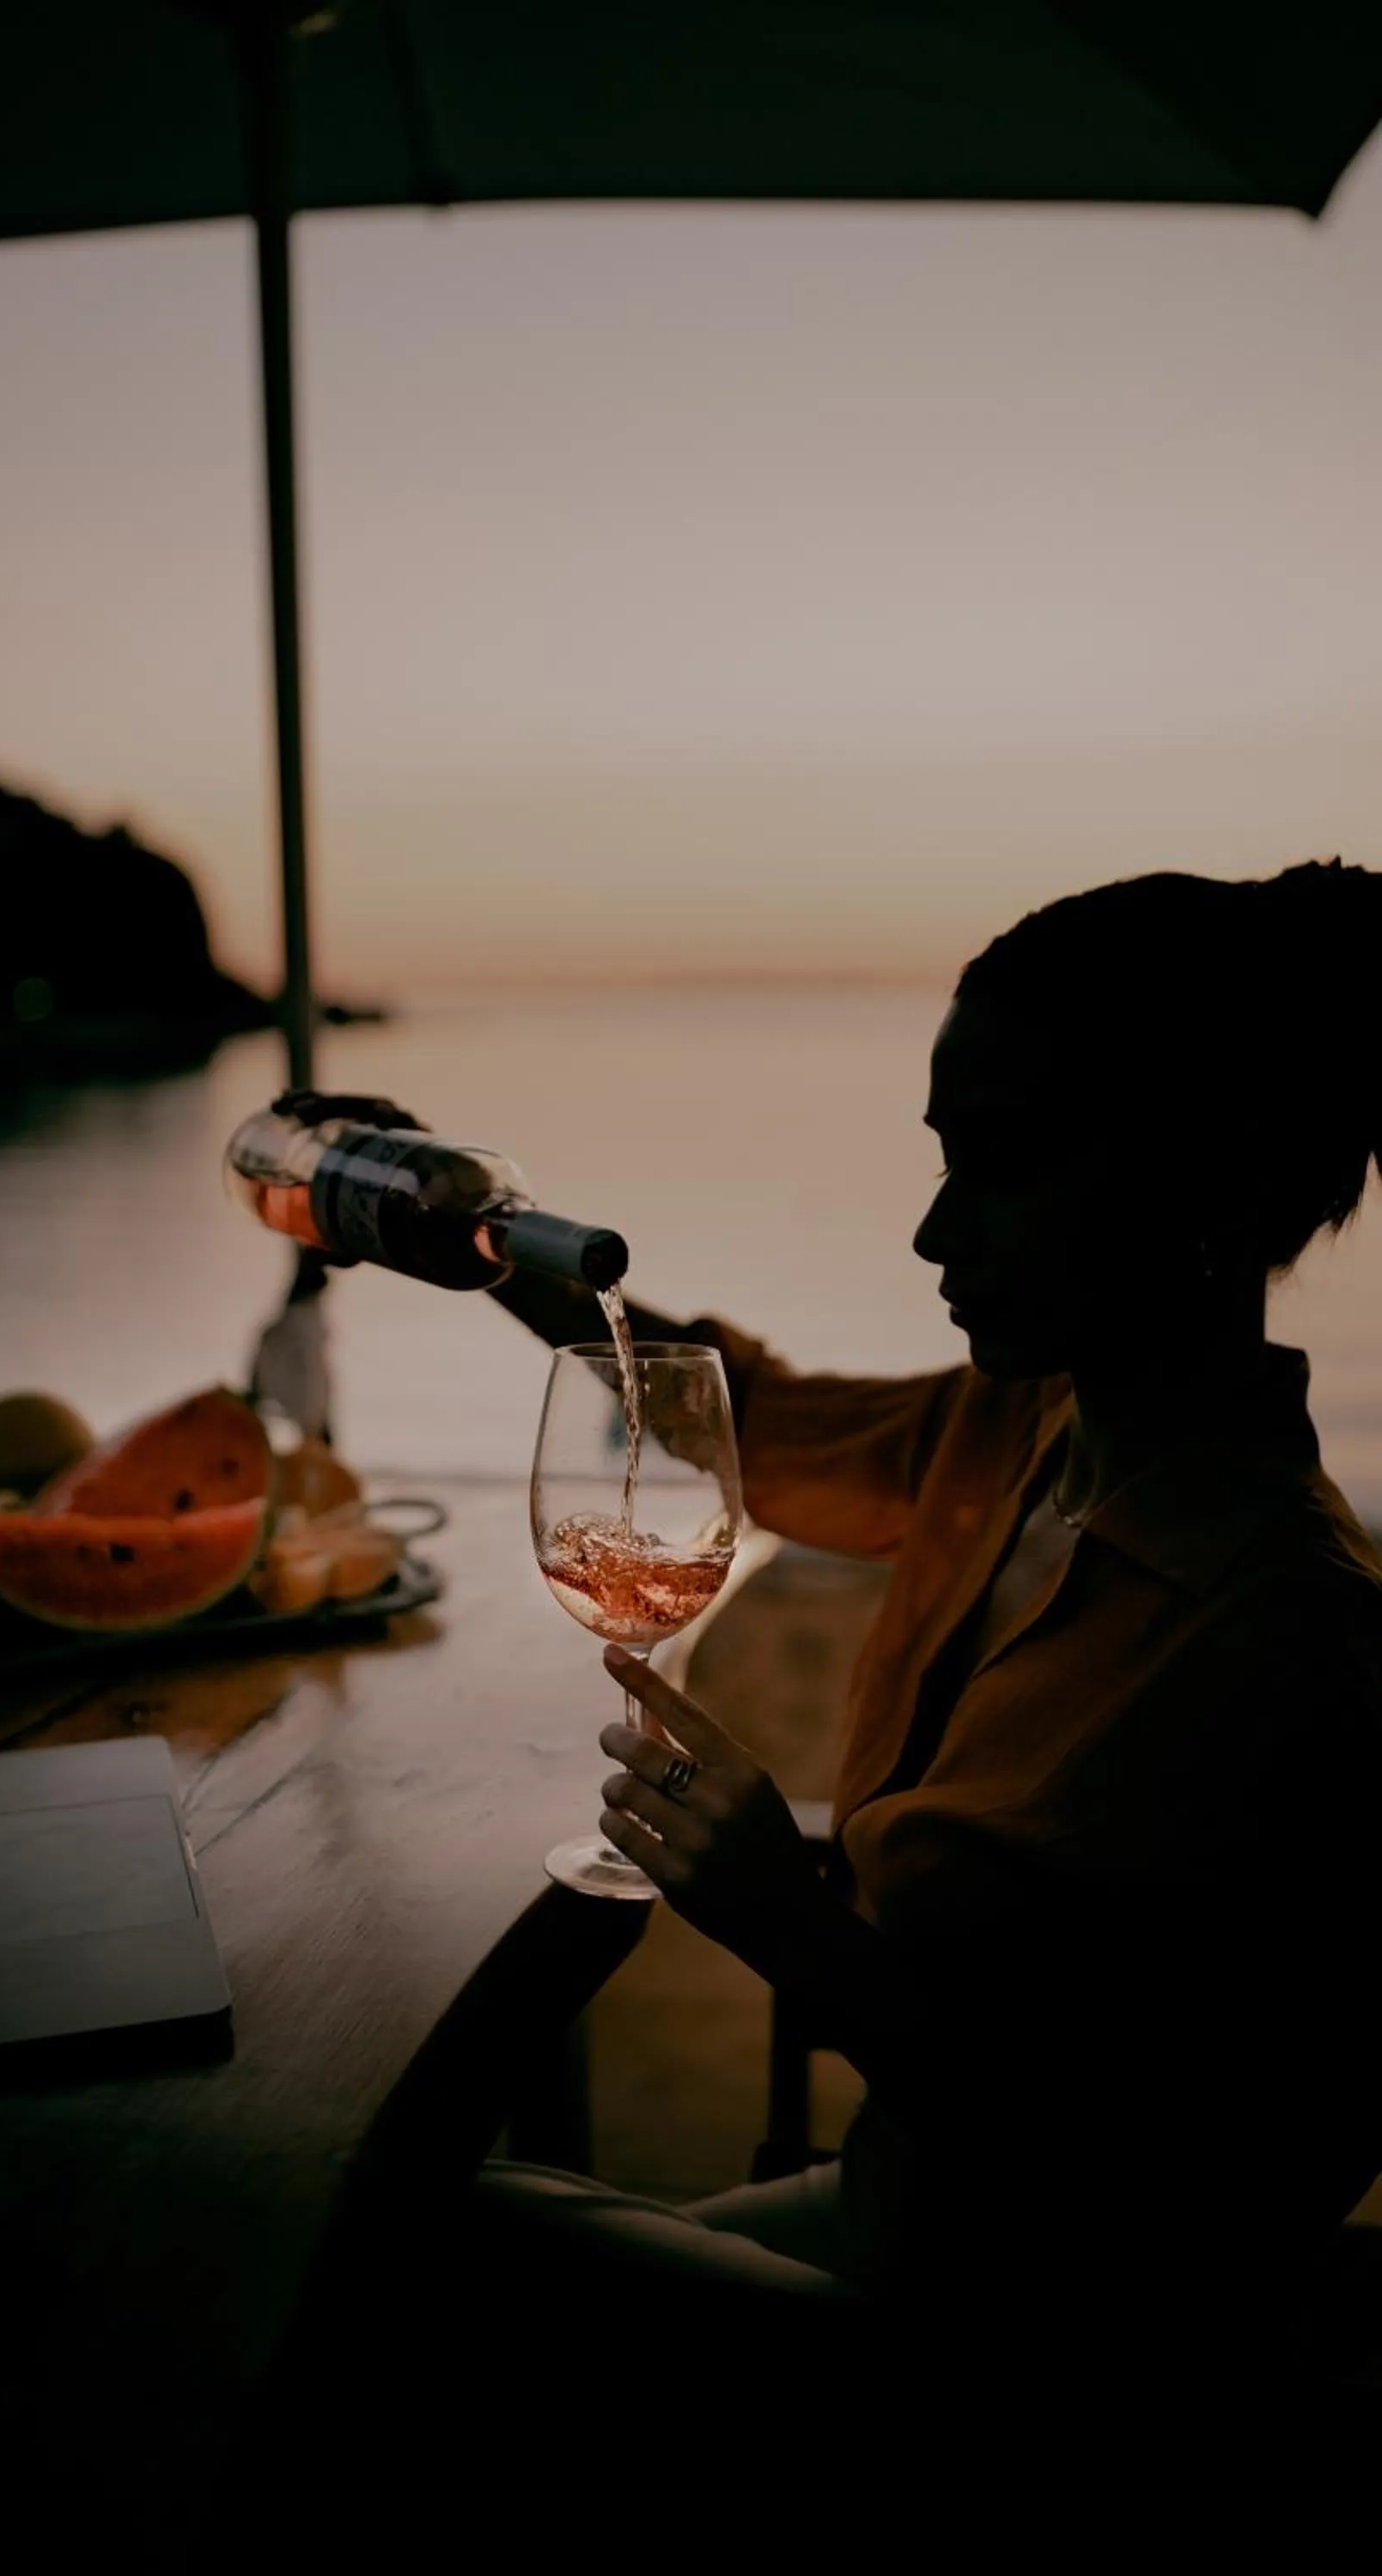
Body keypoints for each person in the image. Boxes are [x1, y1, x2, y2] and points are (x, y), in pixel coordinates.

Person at [396, 858, 1382, 2491]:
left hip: (1048, 2367)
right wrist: (487, 1243)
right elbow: (741, 1418)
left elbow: (1186, 2204)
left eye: (996, 1165)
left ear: (1204, 1190)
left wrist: (790, 1929)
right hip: (893, 2212)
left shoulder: (1288, 1642)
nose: (932, 1227)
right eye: (941, 1154)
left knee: (430, 2250)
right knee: (430, 2241)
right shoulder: (1013, 1430)